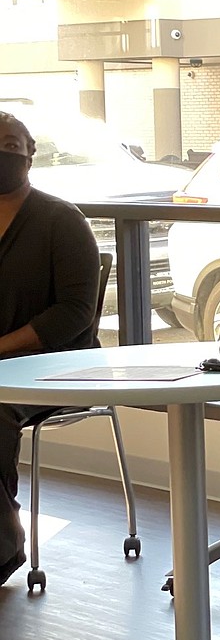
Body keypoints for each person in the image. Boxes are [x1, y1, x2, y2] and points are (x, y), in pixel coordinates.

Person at [0, 111, 100, 587]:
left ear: (30, 152)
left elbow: (75, 313)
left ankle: (3, 548)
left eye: (10, 144)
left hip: (59, 368)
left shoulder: (62, 220)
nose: (3, 153)